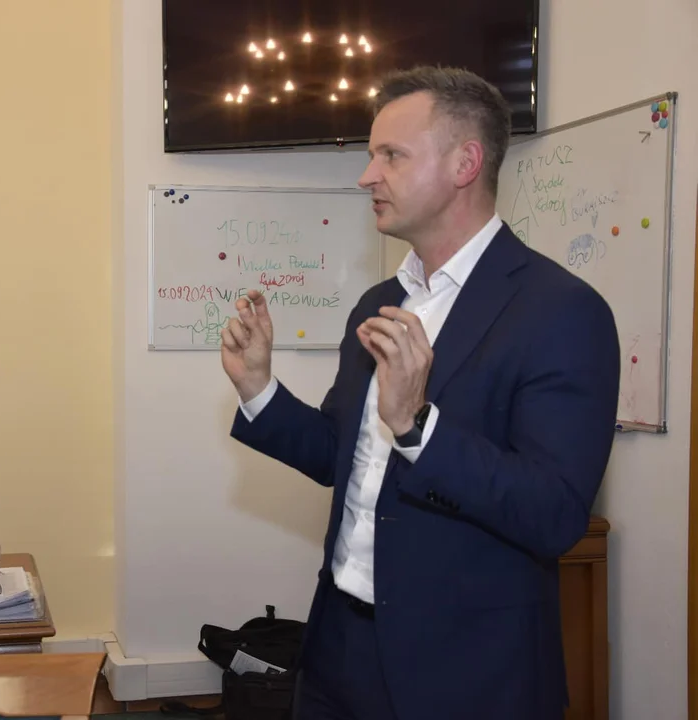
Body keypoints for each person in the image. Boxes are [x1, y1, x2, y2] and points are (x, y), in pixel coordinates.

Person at [220, 66, 620, 720]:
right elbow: (338, 454)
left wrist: (416, 426)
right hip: (337, 650)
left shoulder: (561, 312)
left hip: (465, 672)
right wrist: (258, 387)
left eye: (391, 155)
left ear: (465, 163)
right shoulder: (379, 303)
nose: (366, 176)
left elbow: (552, 515)